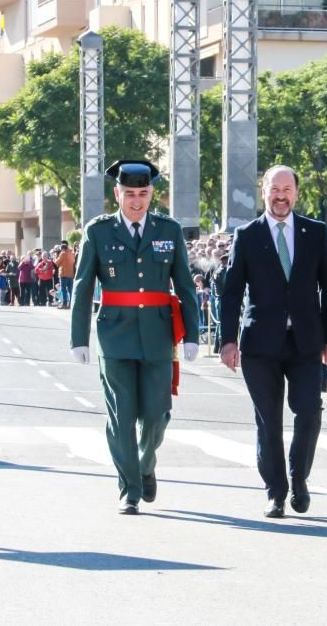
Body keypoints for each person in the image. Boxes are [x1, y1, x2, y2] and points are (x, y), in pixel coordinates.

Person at [70, 160, 200, 515]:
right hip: (115, 334)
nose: (137, 201)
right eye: (130, 194)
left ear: (152, 194)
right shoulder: (98, 232)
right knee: (121, 415)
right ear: (117, 194)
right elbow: (83, 286)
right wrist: (78, 338)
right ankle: (129, 488)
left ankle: (144, 464)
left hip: (158, 334)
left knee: (158, 415)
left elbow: (185, 285)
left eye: (143, 194)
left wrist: (192, 334)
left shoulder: (168, 230)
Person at [219, 165, 327, 518]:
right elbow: (231, 292)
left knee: (308, 412)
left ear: (296, 193)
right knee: (268, 420)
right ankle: (275, 490)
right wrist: (228, 341)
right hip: (260, 345)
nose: (281, 196)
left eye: (287, 189)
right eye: (275, 189)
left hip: (305, 343)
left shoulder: (315, 232)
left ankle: (298, 478)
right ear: (264, 192)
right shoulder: (247, 235)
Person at [54, 242, 76, 309]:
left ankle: (64, 304)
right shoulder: (72, 253)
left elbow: (56, 262)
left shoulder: (63, 253)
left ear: (62, 249)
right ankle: (71, 304)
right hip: (70, 274)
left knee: (63, 290)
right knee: (70, 290)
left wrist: (56, 256)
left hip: (63, 274)